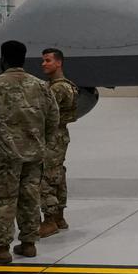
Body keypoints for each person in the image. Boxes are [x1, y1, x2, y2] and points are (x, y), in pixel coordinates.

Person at [0, 40, 59, 264]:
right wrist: (42, 143)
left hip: (4, 156)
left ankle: (2, 247)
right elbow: (54, 117)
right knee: (29, 198)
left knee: (4, 200)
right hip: (34, 154)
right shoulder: (40, 86)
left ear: (3, 59)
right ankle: (28, 244)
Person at [37, 48, 80, 238]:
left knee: (46, 177)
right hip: (59, 135)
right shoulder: (64, 85)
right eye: (43, 60)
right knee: (58, 175)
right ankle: (59, 217)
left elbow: (41, 112)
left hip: (51, 137)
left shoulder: (57, 88)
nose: (43, 64)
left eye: (48, 60)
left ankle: (49, 220)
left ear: (59, 63)